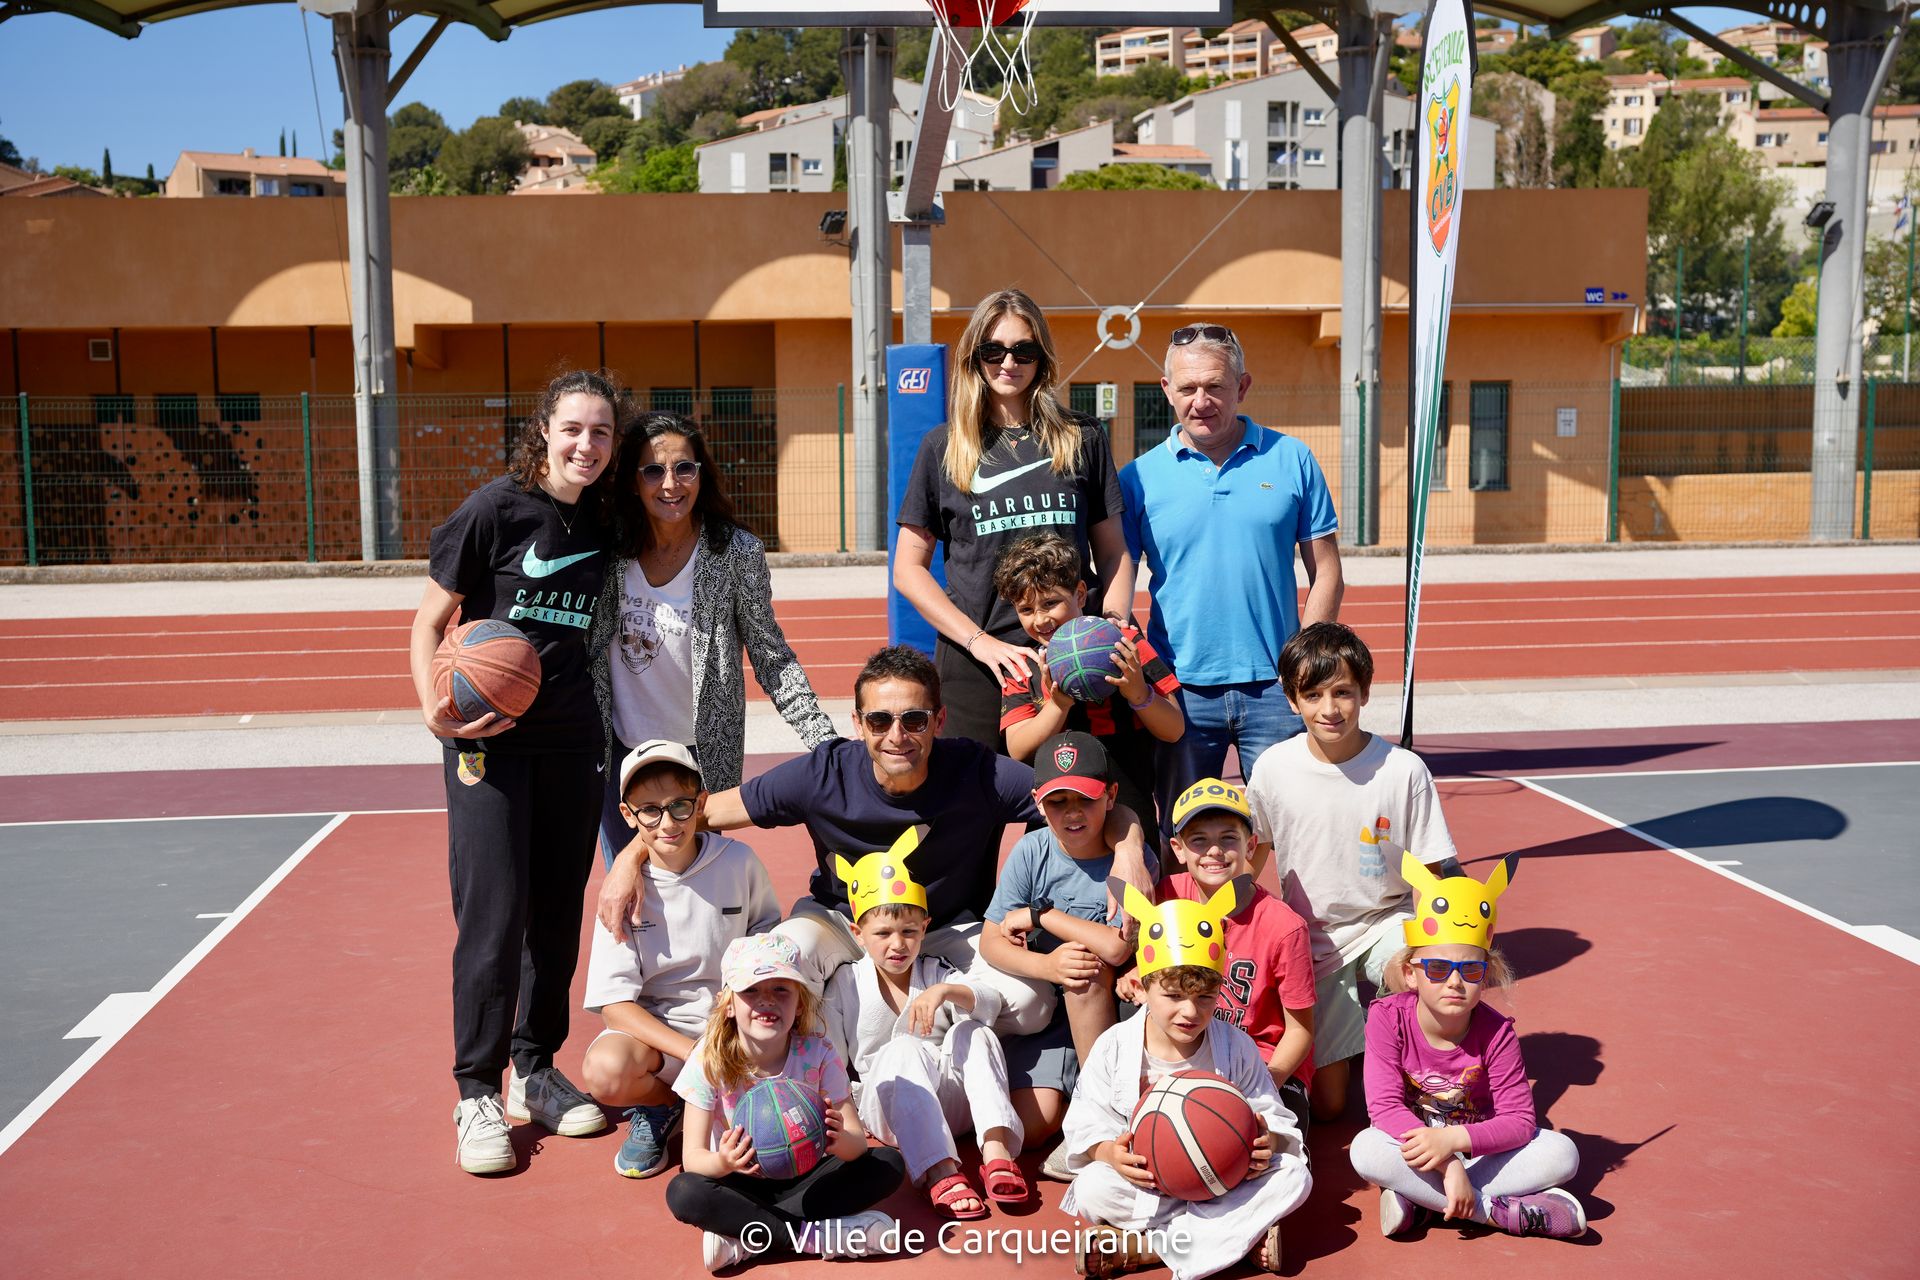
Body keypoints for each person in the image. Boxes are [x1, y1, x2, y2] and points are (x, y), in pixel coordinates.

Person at [596, 645, 1154, 1037]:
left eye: (914, 719)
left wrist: (1129, 848)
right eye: (881, 720)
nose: (897, 735)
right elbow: (698, 812)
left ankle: (900, 1028)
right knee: (777, 964)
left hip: (945, 928)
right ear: (859, 723)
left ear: (939, 720)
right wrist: (628, 858)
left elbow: (1076, 802)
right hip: (840, 923)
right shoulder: (822, 773)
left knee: (1032, 1005)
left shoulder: (978, 772)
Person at [409, 368, 625, 1175]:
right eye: (573, 428)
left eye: (601, 432)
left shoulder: (608, 518)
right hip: (487, 746)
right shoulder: (493, 511)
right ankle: (477, 1091)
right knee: (493, 917)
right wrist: (432, 708)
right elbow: (428, 623)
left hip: (574, 742)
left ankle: (536, 1069)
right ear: (544, 431)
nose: (586, 445)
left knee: (555, 918)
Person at [1118, 323, 1343, 825]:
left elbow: (1327, 570)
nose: (1201, 401)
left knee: (1286, 830)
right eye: (1188, 388)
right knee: (1182, 834)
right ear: (1167, 390)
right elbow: (1119, 573)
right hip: (1177, 691)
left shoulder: (1293, 459)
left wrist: (1307, 662)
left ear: (1242, 387)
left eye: (1215, 386)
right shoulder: (1137, 478)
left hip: (1277, 689)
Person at [586, 410, 833, 868]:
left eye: (684, 468)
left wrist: (826, 744)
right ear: (633, 482)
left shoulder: (735, 552)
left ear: (701, 473)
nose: (670, 484)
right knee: (630, 884)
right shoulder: (610, 546)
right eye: (653, 470)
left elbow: (771, 656)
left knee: (695, 887)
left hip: (699, 760)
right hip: (620, 752)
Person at [896, 288, 1134, 748]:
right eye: (994, 350)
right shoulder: (942, 447)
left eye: (1024, 350)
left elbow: (1113, 552)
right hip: (981, 665)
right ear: (974, 357)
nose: (1009, 362)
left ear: (1041, 358)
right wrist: (980, 643)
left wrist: (1109, 624)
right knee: (977, 795)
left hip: (1072, 655)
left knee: (1083, 791)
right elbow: (908, 569)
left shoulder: (1082, 437)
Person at [1245, 621, 1461, 1124]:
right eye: (1313, 695)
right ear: (1292, 699)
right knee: (1332, 1107)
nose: (1330, 708)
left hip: (1386, 919)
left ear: (1364, 692)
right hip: (1313, 938)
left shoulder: (1404, 770)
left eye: (1342, 692)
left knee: (1417, 978)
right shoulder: (1273, 768)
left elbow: (1430, 874)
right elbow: (1253, 858)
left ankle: (1435, 1079)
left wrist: (1433, 947)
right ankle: (1365, 1038)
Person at [1059, 881, 1310, 1280]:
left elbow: (1271, 1113)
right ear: (1142, 988)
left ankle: (1147, 1249)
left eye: (1205, 997)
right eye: (1174, 996)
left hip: (1225, 1177)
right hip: (1150, 1182)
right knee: (1092, 1188)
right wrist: (1109, 1153)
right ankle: (1234, 1236)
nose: (1190, 1012)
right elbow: (1085, 1121)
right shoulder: (1114, 1046)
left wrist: (1269, 1142)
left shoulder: (1236, 1046)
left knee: (1294, 1175)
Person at [1349, 855, 1587, 1240]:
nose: (1455, 982)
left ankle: (1424, 1205)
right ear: (1411, 974)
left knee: (1563, 1154)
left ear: (1485, 976)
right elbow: (1385, 1108)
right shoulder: (1386, 1018)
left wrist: (1454, 1143)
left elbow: (1519, 1121)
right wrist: (1449, 1165)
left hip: (1479, 1151)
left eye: (1471, 970)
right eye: (1438, 969)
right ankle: (1493, 1211)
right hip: (1415, 1147)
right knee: (1365, 1148)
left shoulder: (1497, 1033)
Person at [579, 740, 781, 1180]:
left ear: (701, 803)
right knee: (605, 1071)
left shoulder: (738, 862)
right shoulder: (620, 893)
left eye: (679, 806)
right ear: (628, 815)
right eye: (650, 811)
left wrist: (736, 1034)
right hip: (667, 1045)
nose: (667, 823)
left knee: (766, 1149)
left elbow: (768, 949)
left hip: (735, 1030)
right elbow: (615, 1007)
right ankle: (666, 1105)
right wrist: (696, 1056)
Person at [665, 934, 906, 1272]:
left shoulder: (819, 1053)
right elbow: (693, 1159)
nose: (767, 1000)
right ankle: (818, 1237)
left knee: (888, 1163)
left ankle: (750, 1235)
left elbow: (856, 1144)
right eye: (751, 990)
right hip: (739, 1183)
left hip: (806, 1179)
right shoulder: (709, 1059)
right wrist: (724, 1161)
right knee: (684, 1191)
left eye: (781, 989)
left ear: (800, 1003)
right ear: (728, 1004)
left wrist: (838, 1140)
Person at [821, 832, 1026, 1220]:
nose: (898, 944)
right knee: (903, 1048)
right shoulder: (845, 982)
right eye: (883, 933)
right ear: (858, 934)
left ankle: (996, 1150)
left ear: (925, 927)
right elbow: (828, 1055)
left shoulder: (935, 970)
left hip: (952, 1105)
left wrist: (945, 990)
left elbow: (990, 1003)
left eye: (909, 931)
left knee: (975, 1031)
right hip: (889, 1109)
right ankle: (939, 1169)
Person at [978, 732, 1134, 1167]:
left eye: (1085, 799)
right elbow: (991, 941)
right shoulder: (1033, 850)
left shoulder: (1128, 861)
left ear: (1111, 796)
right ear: (1038, 802)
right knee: (1031, 1128)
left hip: (1110, 1007)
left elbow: (1116, 949)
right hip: (1048, 1012)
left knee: (1084, 968)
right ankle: (1075, 1104)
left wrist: (1043, 916)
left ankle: (1099, 1114)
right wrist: (1047, 965)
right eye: (1057, 802)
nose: (1072, 813)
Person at [1143, 778, 1316, 1134]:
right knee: (1163, 1140)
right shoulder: (1167, 899)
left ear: (1250, 845)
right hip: (1190, 1051)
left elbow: (1300, 1030)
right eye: (1198, 840)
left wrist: (1263, 1081)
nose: (1214, 851)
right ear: (1178, 849)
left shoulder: (1284, 926)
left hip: (1264, 1061)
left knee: (1267, 1148)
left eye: (1228, 838)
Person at [992, 532, 1182, 844]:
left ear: (1080, 594)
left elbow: (1174, 729)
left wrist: (1138, 694)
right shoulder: (1023, 665)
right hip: (1060, 806)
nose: (1040, 619)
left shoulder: (1125, 644)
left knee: (1133, 866)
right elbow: (1019, 747)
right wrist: (1058, 706)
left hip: (1128, 795)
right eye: (1026, 610)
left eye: (1050, 603)